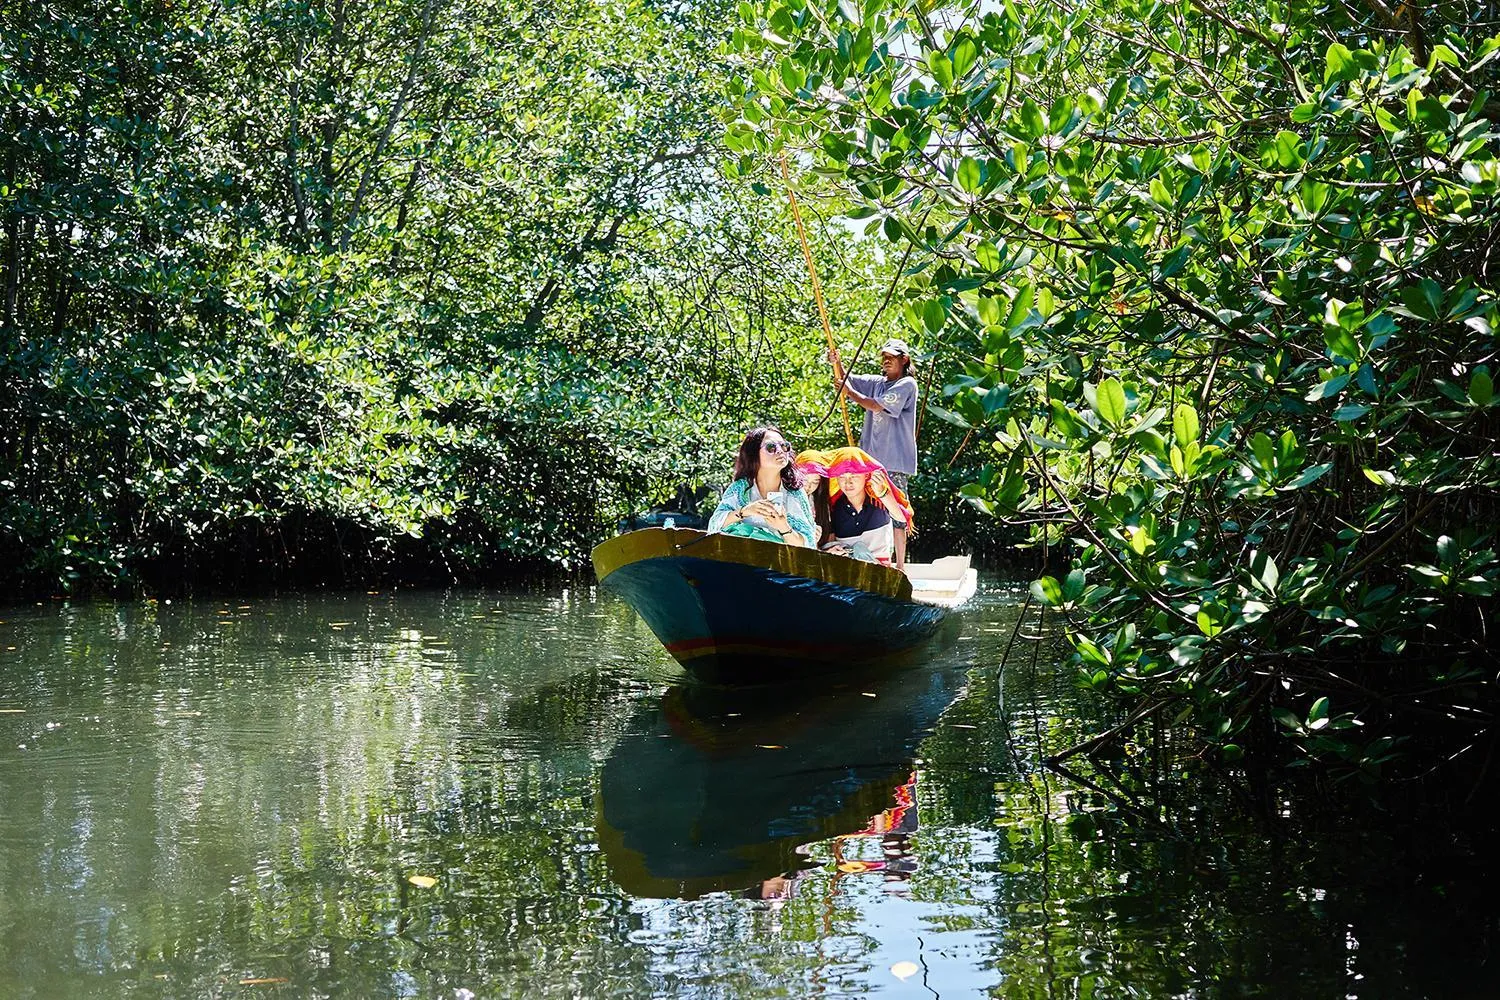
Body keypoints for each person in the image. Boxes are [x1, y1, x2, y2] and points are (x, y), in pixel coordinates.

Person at [830, 339, 919, 567]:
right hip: (869, 462)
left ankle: (900, 566)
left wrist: (848, 392)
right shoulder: (877, 382)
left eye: (892, 357)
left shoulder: (907, 384)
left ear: (904, 359)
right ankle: (874, 560)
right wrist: (837, 362)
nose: (887, 361)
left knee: (898, 511)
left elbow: (876, 405)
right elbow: (847, 379)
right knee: (871, 507)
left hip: (895, 461)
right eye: (884, 357)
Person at [794, 447, 915, 568]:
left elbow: (901, 517)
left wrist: (882, 493)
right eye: (842, 477)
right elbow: (830, 540)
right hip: (846, 567)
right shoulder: (833, 505)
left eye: (854, 476)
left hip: (878, 568)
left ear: (866, 476)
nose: (848, 482)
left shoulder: (878, 498)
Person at [707, 427, 818, 547]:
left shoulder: (795, 492)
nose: (780, 451)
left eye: (784, 446)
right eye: (771, 447)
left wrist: (784, 528)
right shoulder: (739, 489)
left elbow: (808, 544)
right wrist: (745, 511)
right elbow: (714, 526)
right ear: (753, 454)